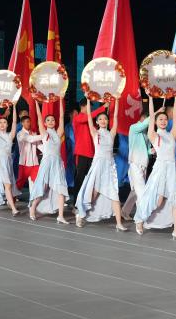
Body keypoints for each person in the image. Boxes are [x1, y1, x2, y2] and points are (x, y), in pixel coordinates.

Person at [134, 95, 176, 240]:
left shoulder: (172, 134)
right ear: (156, 122)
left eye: (165, 119)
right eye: (160, 119)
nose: (163, 121)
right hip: (160, 169)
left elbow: (175, 117)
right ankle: (140, 219)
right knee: (157, 201)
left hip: (172, 170)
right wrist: (150, 98)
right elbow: (151, 116)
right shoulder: (154, 135)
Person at [74, 100, 126, 230]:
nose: (103, 120)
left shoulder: (111, 133)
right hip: (98, 165)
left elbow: (115, 116)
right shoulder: (95, 133)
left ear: (108, 121)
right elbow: (89, 118)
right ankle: (80, 215)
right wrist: (88, 99)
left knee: (114, 194)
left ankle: (119, 223)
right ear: (96, 122)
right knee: (93, 195)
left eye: (105, 119)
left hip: (109, 167)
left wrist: (116, 101)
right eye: (100, 119)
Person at [28, 97, 69, 222]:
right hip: (47, 162)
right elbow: (39, 117)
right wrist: (36, 102)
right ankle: (33, 208)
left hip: (57, 163)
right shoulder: (45, 133)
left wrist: (61, 100)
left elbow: (61, 116)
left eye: (52, 120)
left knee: (61, 188)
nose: (51, 121)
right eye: (48, 120)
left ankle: (60, 216)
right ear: (45, 124)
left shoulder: (58, 133)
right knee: (43, 187)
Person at [121, 108, 152, 220]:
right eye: (149, 120)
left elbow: (147, 150)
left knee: (135, 191)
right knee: (141, 190)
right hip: (135, 163)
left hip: (144, 163)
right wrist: (156, 113)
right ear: (142, 118)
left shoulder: (147, 134)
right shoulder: (134, 128)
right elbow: (145, 124)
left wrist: (151, 151)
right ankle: (142, 217)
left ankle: (124, 212)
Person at [15, 110, 41, 192]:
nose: (28, 123)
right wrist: (44, 135)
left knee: (36, 182)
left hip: (35, 163)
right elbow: (30, 139)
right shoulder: (20, 134)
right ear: (22, 123)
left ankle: (33, 198)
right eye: (26, 122)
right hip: (24, 163)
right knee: (20, 182)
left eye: (29, 122)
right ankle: (12, 196)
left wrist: (48, 152)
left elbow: (39, 145)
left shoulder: (34, 133)